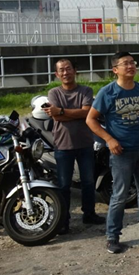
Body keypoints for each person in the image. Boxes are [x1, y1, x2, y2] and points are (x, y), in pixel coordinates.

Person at [87, 51, 139, 255]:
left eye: (133, 62)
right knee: (120, 195)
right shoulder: (107, 92)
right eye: (125, 63)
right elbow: (91, 119)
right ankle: (112, 237)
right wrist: (109, 139)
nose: (131, 66)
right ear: (115, 69)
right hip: (121, 152)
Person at [45, 58, 103, 234]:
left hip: (85, 144)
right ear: (57, 74)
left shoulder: (86, 90)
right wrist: (72, 113)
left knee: (88, 182)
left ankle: (89, 214)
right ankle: (63, 220)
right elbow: (56, 117)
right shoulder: (53, 93)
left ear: (75, 70)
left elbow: (87, 113)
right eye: (61, 70)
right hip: (63, 146)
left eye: (68, 69)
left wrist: (62, 111)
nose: (65, 73)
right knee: (64, 185)